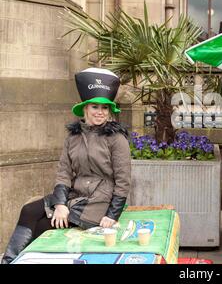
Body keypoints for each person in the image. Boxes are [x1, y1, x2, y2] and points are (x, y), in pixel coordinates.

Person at [1, 68, 131, 264]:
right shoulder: (73, 136)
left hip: (98, 201)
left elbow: (123, 181)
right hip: (74, 195)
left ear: (110, 111)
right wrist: (60, 204)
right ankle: (9, 260)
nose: (100, 112)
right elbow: (64, 172)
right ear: (85, 108)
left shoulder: (116, 139)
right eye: (95, 107)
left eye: (105, 108)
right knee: (29, 211)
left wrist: (112, 215)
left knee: (43, 227)